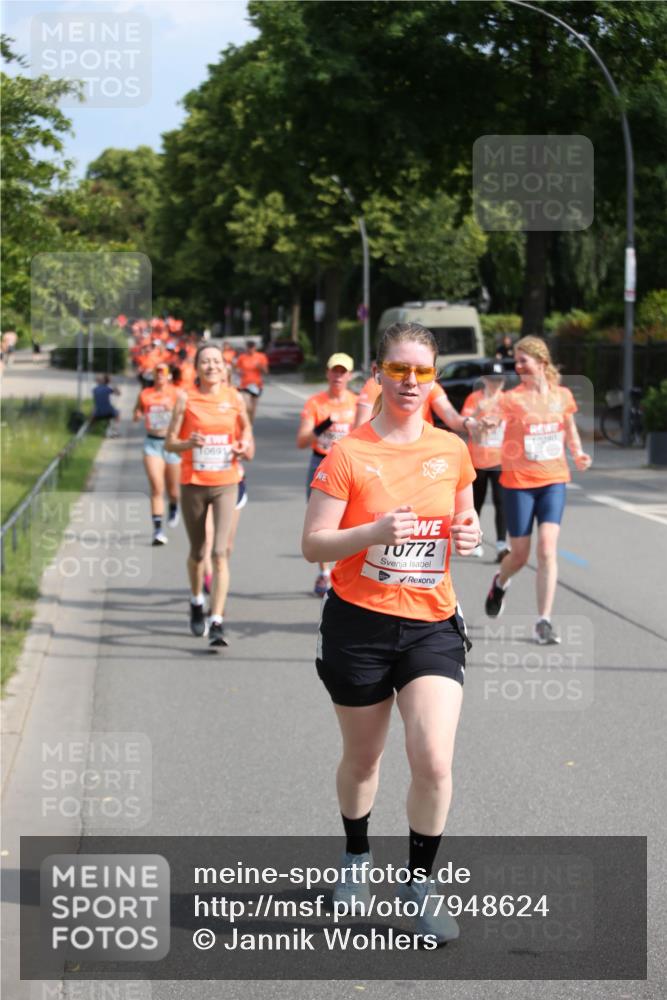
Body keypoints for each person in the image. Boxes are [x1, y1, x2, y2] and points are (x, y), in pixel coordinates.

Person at [302, 322, 480, 944]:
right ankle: (355, 858)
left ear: (433, 378)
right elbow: (313, 544)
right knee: (363, 758)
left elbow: (465, 516)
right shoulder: (349, 452)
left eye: (422, 372)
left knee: (433, 757)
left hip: (432, 621)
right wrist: (372, 534)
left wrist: (471, 534)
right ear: (378, 372)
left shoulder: (451, 449)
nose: (410, 382)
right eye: (399, 370)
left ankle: (421, 884)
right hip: (360, 623)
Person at [484, 336, 592, 644]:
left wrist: (578, 452)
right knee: (519, 555)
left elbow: (568, 427)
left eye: (523, 361)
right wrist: (488, 423)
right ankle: (500, 582)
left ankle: (543, 621)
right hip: (518, 484)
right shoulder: (512, 398)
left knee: (547, 549)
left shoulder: (562, 395)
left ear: (541, 363)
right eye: (515, 362)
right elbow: (494, 417)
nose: (517, 367)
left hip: (553, 480)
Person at [165, 343, 254, 647]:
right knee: (198, 552)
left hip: (226, 483)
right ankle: (195, 599)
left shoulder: (235, 399)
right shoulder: (185, 399)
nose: (212, 366)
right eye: (206, 362)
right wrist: (188, 443)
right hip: (193, 483)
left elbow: (247, 438)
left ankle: (217, 621)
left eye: (216, 361)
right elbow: (170, 444)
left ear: (224, 367)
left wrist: (244, 446)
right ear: (197, 367)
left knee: (220, 553)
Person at [296, 352, 358, 596]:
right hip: (321, 463)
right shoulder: (315, 403)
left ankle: (348, 569)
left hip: (351, 465)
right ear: (327, 373)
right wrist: (323, 426)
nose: (338, 376)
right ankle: (324, 573)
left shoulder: (357, 403)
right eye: (334, 371)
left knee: (352, 518)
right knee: (321, 522)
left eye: (343, 372)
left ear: (349, 376)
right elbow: (301, 440)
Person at [461, 361, 510, 561]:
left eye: (498, 380)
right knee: (476, 503)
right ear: (484, 380)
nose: (495, 384)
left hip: (501, 460)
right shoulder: (475, 399)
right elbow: (464, 423)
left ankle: (501, 545)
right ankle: (474, 541)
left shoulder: (508, 400)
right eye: (491, 380)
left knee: (501, 501)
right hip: (478, 460)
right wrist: (477, 414)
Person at [133, 363, 181, 546]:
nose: (160, 376)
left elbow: (185, 414)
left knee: (174, 491)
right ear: (153, 375)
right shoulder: (145, 394)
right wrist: (137, 414)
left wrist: (174, 413)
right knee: (156, 488)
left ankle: (174, 505)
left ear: (168, 376)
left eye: (163, 373)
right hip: (152, 444)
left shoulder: (176, 393)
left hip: (172, 444)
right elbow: (137, 411)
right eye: (157, 373)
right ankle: (158, 530)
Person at [354, 370, 474, 434]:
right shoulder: (374, 385)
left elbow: (452, 417)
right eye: (400, 368)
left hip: (422, 451)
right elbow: (360, 427)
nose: (411, 381)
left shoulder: (429, 385)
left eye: (421, 369)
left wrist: (470, 424)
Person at [236, 340, 269, 423]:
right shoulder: (242, 357)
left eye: (252, 348)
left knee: (253, 409)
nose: (250, 350)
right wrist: (239, 372)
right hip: (245, 385)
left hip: (256, 385)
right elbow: (237, 368)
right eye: (248, 348)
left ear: (255, 348)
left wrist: (260, 367)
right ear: (246, 348)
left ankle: (250, 425)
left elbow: (266, 371)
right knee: (247, 406)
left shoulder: (261, 356)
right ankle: (246, 423)